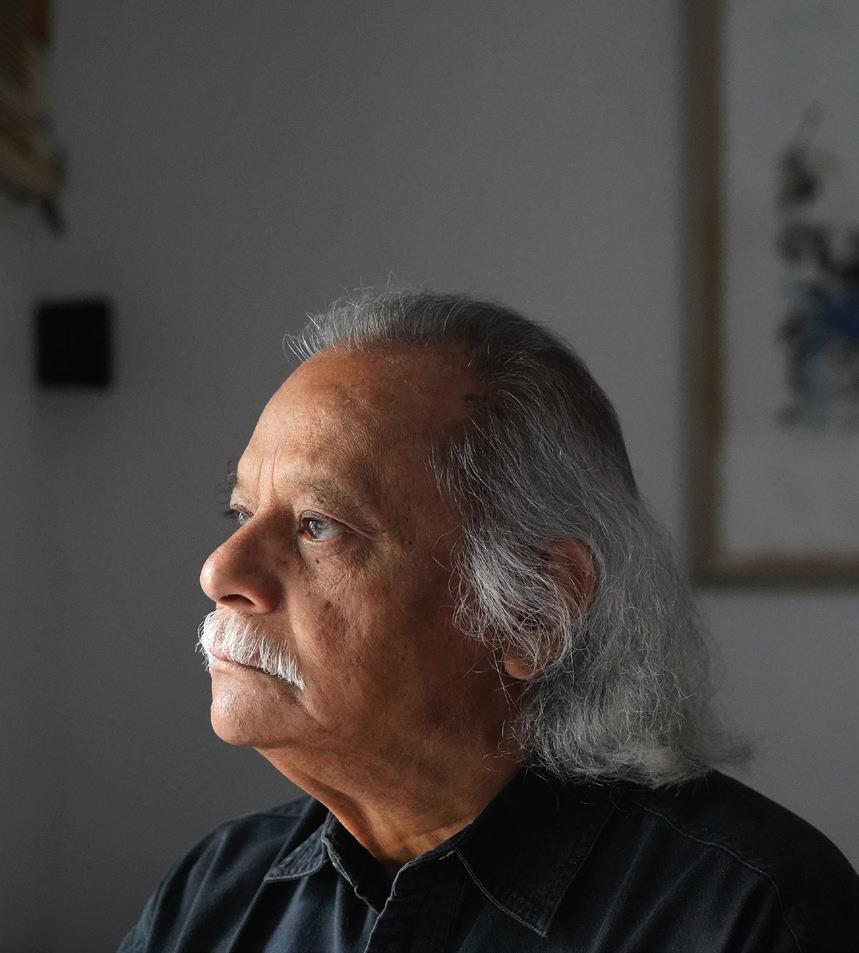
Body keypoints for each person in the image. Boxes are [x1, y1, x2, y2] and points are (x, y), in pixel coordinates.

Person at [119, 290, 859, 952]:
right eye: (242, 512)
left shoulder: (746, 914)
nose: (220, 572)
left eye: (319, 526)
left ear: (534, 610)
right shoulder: (218, 889)